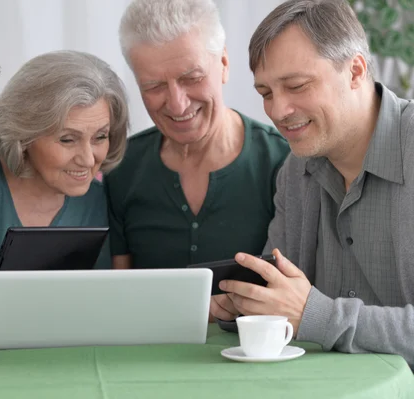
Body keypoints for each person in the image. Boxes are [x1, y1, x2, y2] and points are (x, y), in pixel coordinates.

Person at [211, 0, 414, 366]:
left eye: (297, 86)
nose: (277, 111)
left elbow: (306, 313)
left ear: (355, 71)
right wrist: (246, 305)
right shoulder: (295, 171)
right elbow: (284, 305)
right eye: (266, 93)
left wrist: (318, 316)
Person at [105, 0, 290, 273]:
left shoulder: (282, 162)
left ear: (224, 64)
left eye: (192, 78)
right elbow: (117, 293)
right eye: (154, 86)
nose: (177, 105)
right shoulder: (122, 165)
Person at [0, 50, 128, 284]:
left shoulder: (97, 200)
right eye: (68, 140)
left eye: (100, 137)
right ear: (24, 136)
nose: (89, 160)